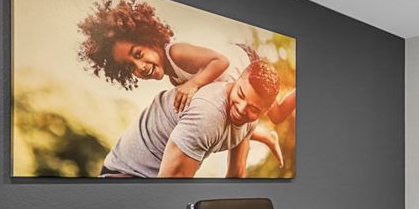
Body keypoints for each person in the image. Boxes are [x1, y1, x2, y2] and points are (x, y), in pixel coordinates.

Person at [77, 0, 292, 165]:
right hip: (234, 82)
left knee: (277, 114)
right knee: (235, 117)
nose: (140, 67)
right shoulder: (174, 77)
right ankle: (265, 136)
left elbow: (221, 61)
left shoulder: (177, 53)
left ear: (149, 39)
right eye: (129, 66)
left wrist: (193, 83)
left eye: (138, 54)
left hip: (246, 64)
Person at [100, 59, 290, 178]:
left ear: (264, 112)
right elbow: (170, 189)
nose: (241, 109)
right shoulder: (208, 114)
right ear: (236, 80)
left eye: (253, 108)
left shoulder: (248, 121)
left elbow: (236, 175)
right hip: (126, 174)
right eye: (240, 94)